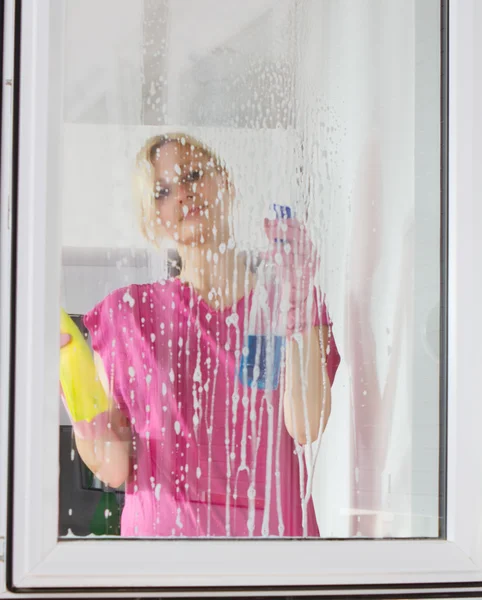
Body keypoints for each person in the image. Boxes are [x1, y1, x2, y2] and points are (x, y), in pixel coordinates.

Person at [60, 132, 340, 537]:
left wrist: (297, 311)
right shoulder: (128, 315)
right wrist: (73, 386)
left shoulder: (285, 299)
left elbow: (307, 425)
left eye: (193, 175)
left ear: (225, 182)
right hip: (163, 563)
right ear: (152, 218)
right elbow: (115, 466)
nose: (183, 194)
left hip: (275, 556)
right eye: (162, 191)